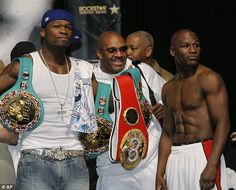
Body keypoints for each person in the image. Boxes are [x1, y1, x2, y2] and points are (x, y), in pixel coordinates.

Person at [0, 9, 96, 190]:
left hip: (75, 160)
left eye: (68, 27)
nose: (63, 30)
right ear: (43, 32)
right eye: (57, 26)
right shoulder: (25, 65)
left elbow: (100, 109)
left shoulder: (84, 70)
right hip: (36, 159)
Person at [156, 29, 230, 190]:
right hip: (175, 156)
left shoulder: (209, 78)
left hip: (203, 153)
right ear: (172, 51)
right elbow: (167, 133)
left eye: (196, 45)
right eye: (185, 46)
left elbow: (223, 123)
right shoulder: (168, 88)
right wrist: (159, 173)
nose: (193, 50)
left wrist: (212, 164)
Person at [92, 31, 166, 190]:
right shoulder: (90, 79)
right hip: (111, 170)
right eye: (112, 50)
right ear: (99, 53)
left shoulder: (140, 71)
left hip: (149, 165)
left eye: (123, 49)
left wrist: (164, 107)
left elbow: (171, 94)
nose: (119, 55)